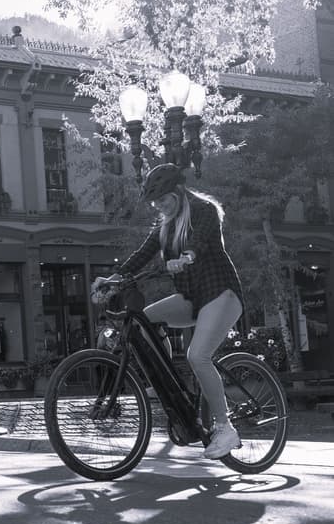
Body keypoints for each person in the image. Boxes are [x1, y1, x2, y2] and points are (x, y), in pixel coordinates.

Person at [92, 164, 245, 460]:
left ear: (177, 192)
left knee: (197, 356)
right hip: (191, 297)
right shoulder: (165, 225)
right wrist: (113, 279)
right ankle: (166, 382)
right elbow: (142, 254)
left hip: (221, 292)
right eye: (155, 203)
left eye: (163, 199)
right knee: (142, 323)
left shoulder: (203, 210)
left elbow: (201, 240)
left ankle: (225, 428)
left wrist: (187, 256)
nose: (159, 206)